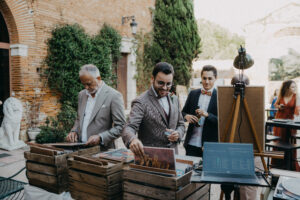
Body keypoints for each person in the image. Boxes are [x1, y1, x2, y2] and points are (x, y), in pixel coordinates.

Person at [122, 62, 185, 157]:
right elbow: (129, 127)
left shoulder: (174, 99)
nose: (164, 88)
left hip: (174, 157)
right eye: (161, 83)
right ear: (152, 79)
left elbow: (181, 124)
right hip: (150, 159)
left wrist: (178, 134)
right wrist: (132, 140)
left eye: (168, 84)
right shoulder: (140, 101)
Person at [66, 64, 126, 150]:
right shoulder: (81, 95)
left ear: (98, 78)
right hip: (79, 149)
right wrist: (74, 131)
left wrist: (101, 137)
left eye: (89, 84)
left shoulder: (114, 96)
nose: (86, 87)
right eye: (83, 84)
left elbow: (121, 126)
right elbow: (79, 119)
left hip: (102, 151)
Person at [182, 65, 218, 157]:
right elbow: (182, 113)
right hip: (191, 144)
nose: (206, 82)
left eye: (210, 78)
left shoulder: (220, 97)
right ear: (201, 78)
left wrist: (208, 115)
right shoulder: (193, 94)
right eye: (204, 78)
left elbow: (222, 122)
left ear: (215, 78)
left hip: (210, 146)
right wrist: (186, 116)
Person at [272, 80, 300, 171]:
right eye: (292, 87)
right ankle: (278, 165)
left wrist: (297, 114)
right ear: (287, 88)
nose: (294, 88)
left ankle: (290, 166)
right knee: (279, 142)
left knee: (289, 142)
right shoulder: (281, 95)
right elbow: (276, 105)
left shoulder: (296, 96)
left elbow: (297, 107)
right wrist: (279, 106)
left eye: (295, 87)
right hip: (280, 120)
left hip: (290, 122)